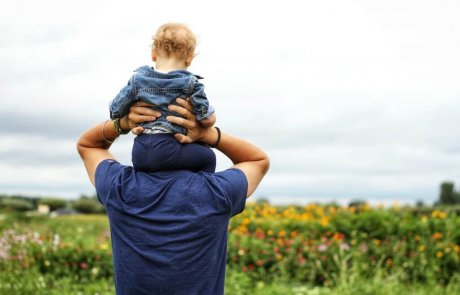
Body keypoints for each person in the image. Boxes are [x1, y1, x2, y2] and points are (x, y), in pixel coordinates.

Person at [77, 98, 269, 294]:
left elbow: (89, 145)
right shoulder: (216, 192)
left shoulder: (119, 188)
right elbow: (257, 160)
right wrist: (209, 134)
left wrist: (123, 123)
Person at [110, 23, 217, 173]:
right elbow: (206, 119)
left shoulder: (137, 80)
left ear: (153, 54)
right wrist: (211, 118)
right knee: (208, 157)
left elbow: (115, 111)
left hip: (140, 152)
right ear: (189, 59)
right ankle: (200, 191)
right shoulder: (191, 84)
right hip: (170, 148)